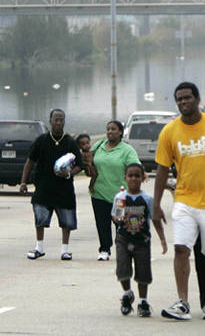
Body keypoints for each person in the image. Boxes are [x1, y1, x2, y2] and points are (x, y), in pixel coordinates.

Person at [153, 82, 205, 321]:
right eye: (179, 99)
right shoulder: (169, 132)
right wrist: (156, 204)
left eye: (187, 98)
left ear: (197, 99)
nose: (183, 103)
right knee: (181, 248)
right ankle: (182, 303)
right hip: (185, 200)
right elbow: (161, 170)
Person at [20, 109, 83, 261]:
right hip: (43, 186)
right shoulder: (41, 140)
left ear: (64, 121)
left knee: (67, 220)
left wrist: (69, 173)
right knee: (40, 216)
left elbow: (79, 165)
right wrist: (23, 181)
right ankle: (39, 248)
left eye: (61, 120)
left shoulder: (69, 142)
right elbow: (30, 161)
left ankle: (64, 250)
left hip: (64, 188)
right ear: (50, 121)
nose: (59, 123)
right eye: (56, 119)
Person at [112, 163, 167, 317]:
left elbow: (155, 219)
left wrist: (162, 239)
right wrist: (118, 218)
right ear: (125, 178)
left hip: (142, 241)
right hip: (123, 239)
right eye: (130, 175)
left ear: (143, 178)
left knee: (143, 271)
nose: (134, 179)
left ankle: (143, 301)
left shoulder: (147, 199)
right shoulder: (120, 197)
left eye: (137, 175)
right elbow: (115, 217)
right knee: (123, 269)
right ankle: (127, 294)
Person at [90, 121, 141, 261]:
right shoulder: (99, 145)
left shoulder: (126, 150)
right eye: (108, 129)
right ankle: (104, 249)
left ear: (120, 132)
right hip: (99, 192)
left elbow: (135, 166)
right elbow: (89, 159)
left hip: (119, 196)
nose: (110, 132)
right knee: (102, 223)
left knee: (121, 223)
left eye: (113, 129)